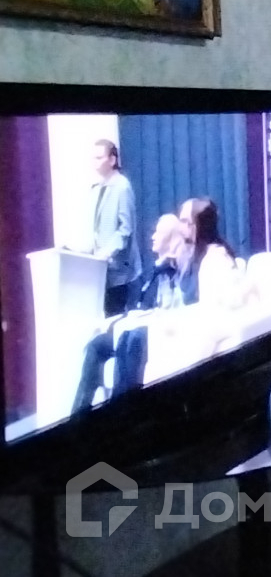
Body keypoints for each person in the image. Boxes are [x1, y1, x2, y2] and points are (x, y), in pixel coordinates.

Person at [71, 214, 185, 414]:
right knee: (96, 344)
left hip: (156, 333)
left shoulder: (177, 268)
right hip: (139, 324)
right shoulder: (157, 269)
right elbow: (145, 304)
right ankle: (79, 415)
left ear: (171, 238)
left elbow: (173, 308)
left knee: (128, 340)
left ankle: (120, 414)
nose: (153, 237)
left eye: (158, 232)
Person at [84, 140, 138, 317]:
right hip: (100, 270)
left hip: (120, 271)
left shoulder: (122, 187)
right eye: (94, 158)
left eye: (99, 158)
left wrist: (107, 252)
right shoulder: (96, 188)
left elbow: (126, 229)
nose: (95, 162)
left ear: (112, 160)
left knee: (116, 316)